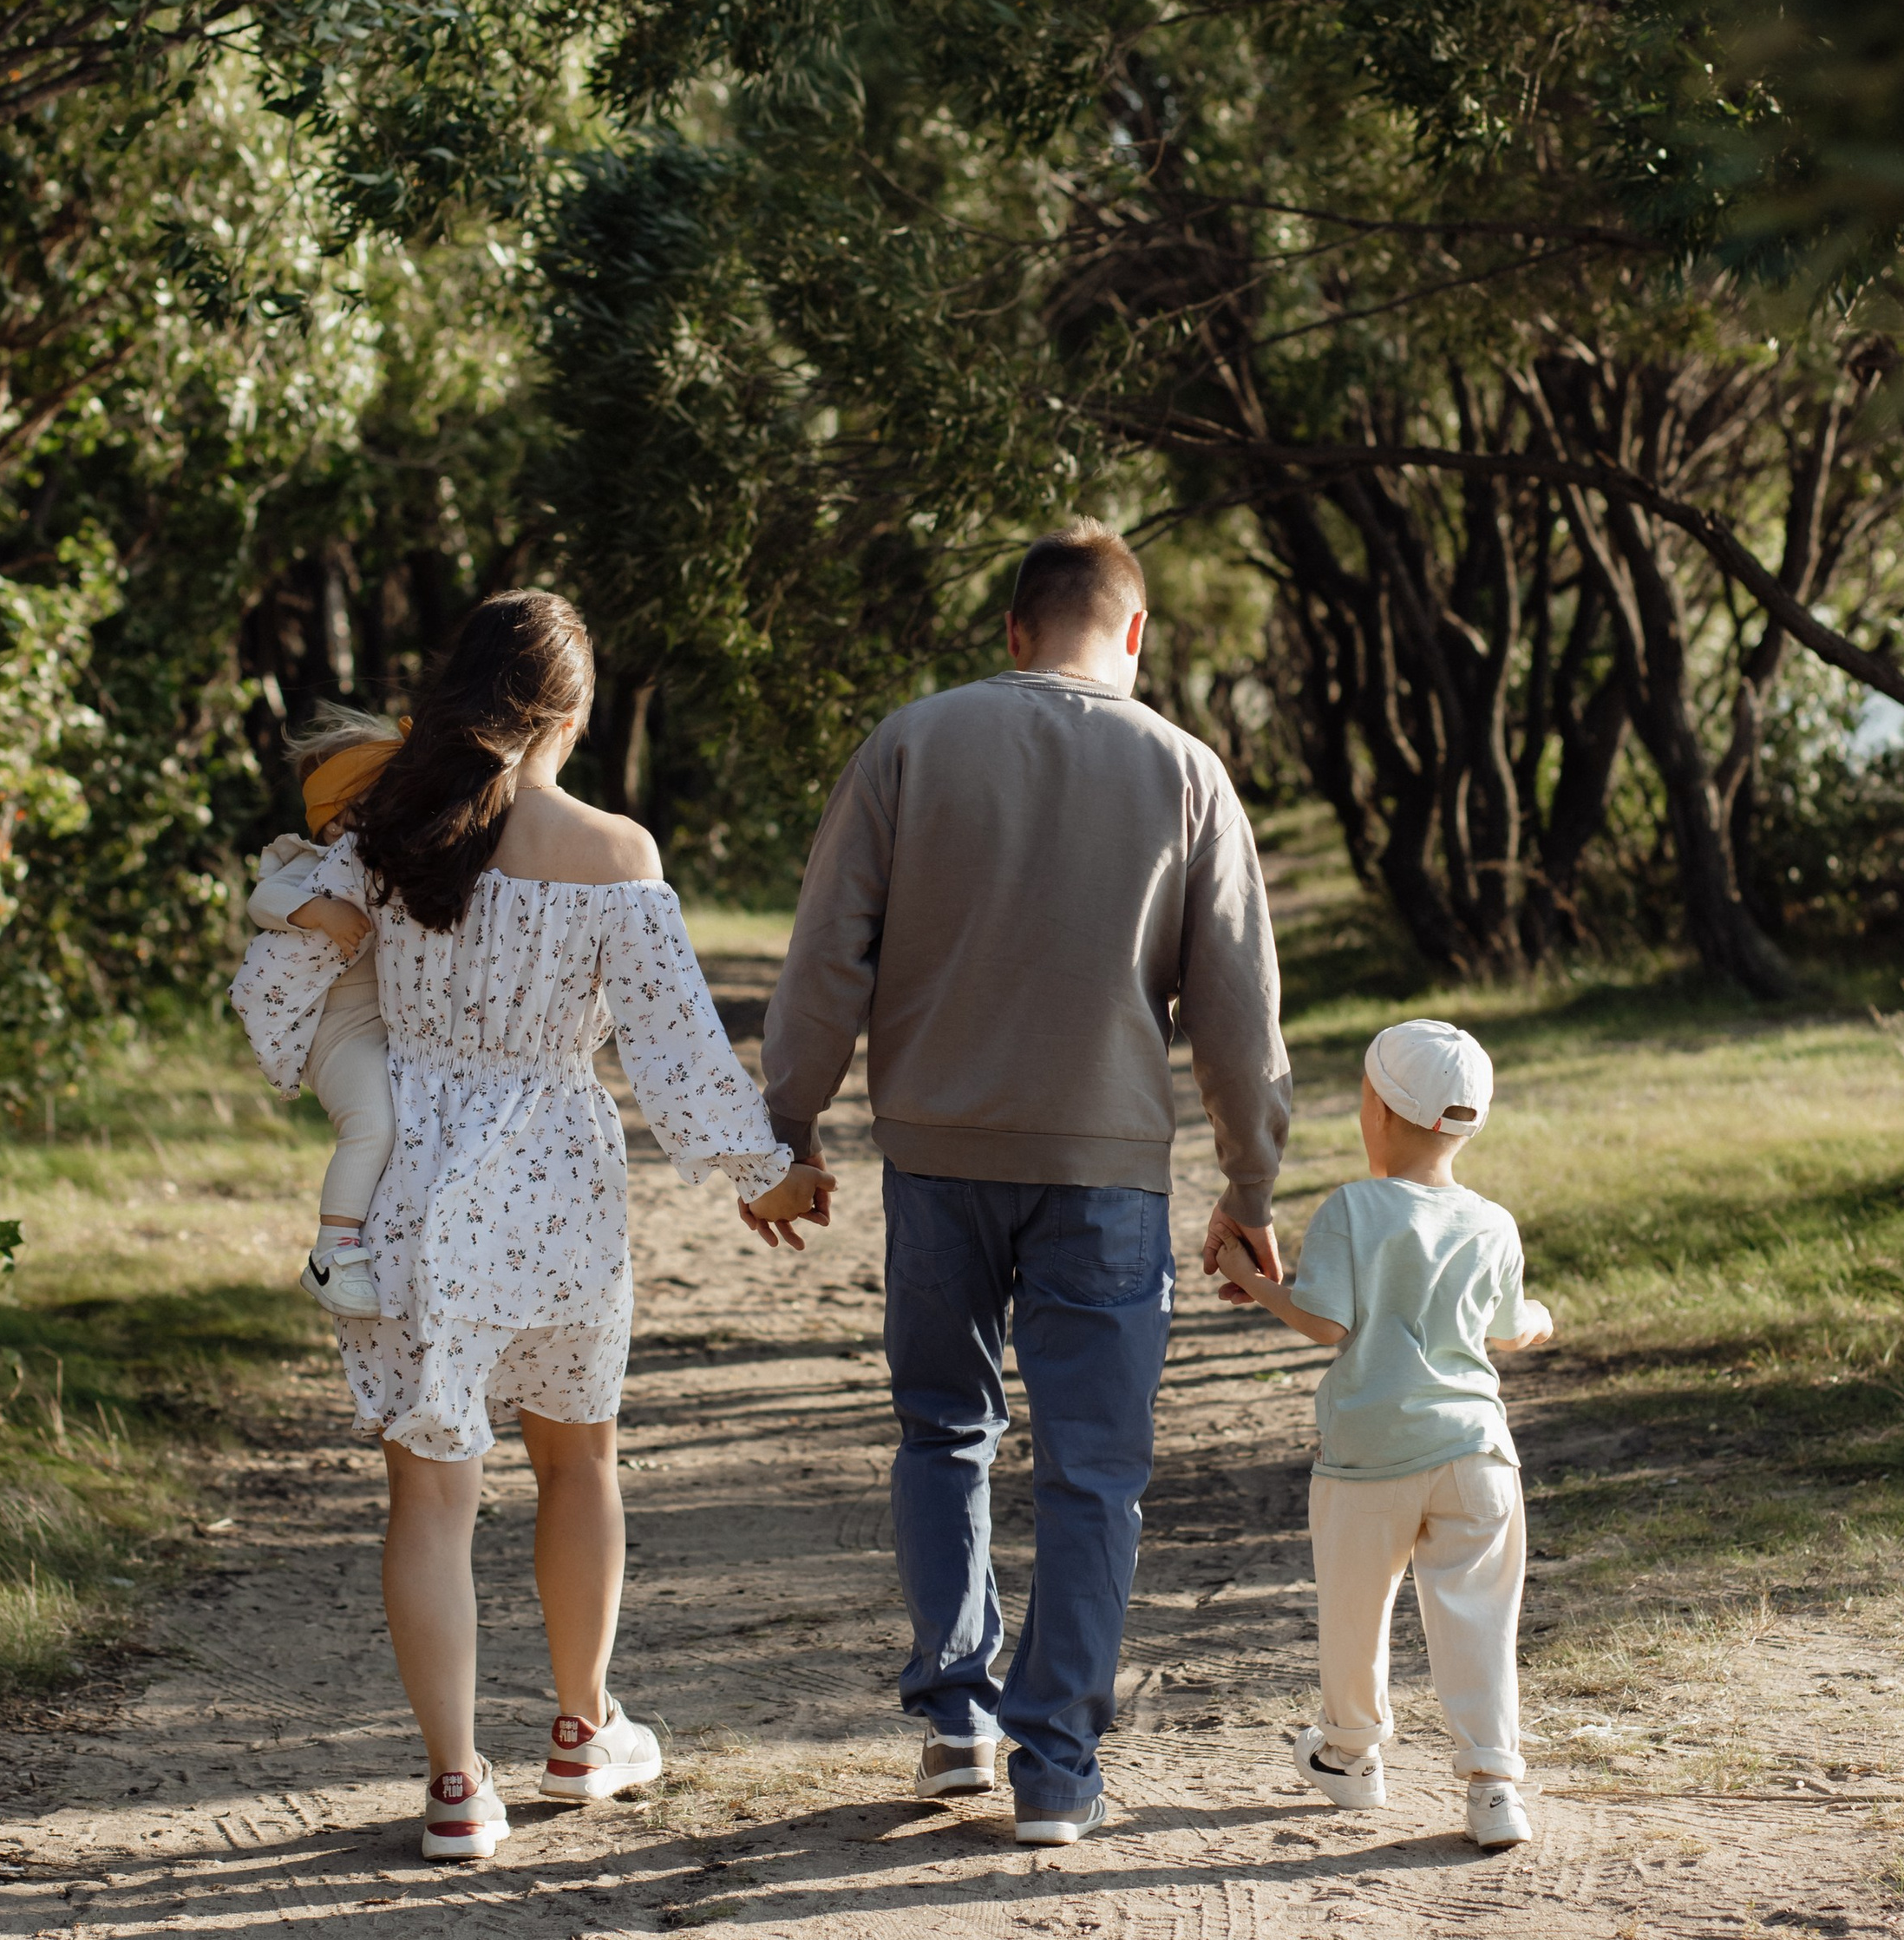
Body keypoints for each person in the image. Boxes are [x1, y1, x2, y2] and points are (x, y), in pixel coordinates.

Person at [229, 590, 833, 1863]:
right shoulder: (617, 856)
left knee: (433, 1497)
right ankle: (580, 1729)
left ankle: (457, 1789)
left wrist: (335, 960)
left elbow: (275, 984)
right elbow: (676, 1056)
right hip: (555, 1175)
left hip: (409, 1170)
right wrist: (762, 1174)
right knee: (578, 1461)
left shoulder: (388, 832)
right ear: (569, 712)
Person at [759, 520, 1291, 1848]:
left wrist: (791, 1128)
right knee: (1094, 1474)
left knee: (944, 1426)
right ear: (1134, 634)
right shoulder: (1186, 771)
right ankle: (1056, 1769)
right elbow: (1238, 1012)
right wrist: (1251, 1187)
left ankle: (956, 1720)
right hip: (1107, 1175)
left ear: (1011, 631)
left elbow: (829, 954)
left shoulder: (911, 745)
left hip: (936, 1159)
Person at [1213, 1016, 1554, 1852]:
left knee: (1356, 1615)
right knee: (1477, 1617)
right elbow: (1511, 1328)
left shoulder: (1352, 1210)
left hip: (1369, 1460)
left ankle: (1352, 1759)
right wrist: (1540, 1320)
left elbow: (1326, 1324)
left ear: (1378, 1109)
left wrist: (1251, 1281)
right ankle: (1494, 1785)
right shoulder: (1494, 1225)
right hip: (1476, 1456)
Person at [235, 705, 404, 1320]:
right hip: (339, 1034)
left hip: (389, 1029)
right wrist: (321, 912)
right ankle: (333, 1252)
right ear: (333, 824)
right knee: (372, 1124)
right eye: (353, 816)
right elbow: (264, 897)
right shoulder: (319, 864)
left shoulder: (400, 858)